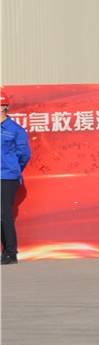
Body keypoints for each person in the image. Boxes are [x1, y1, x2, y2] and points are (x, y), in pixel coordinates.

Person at [1, 89, 31, 265]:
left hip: (7, 177)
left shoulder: (15, 130)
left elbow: (24, 154)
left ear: (3, 107)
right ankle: (6, 251)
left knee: (4, 213)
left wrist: (13, 169)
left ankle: (11, 253)